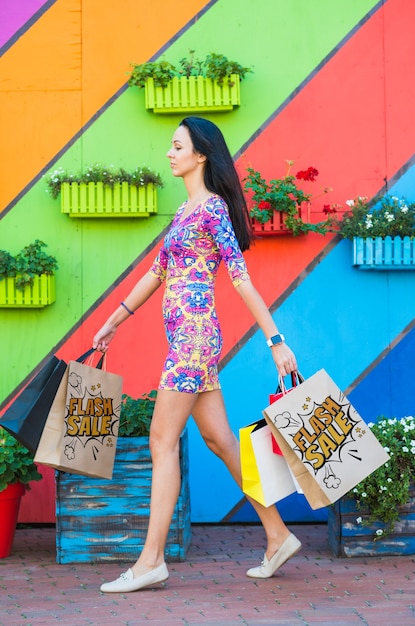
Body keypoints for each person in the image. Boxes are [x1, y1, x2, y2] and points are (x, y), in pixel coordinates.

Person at [93, 117, 301, 593]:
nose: (169, 152)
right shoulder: (185, 212)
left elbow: (241, 277)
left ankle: (150, 561)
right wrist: (112, 321)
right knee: (221, 441)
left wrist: (275, 340)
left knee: (160, 441)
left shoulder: (212, 211)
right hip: (189, 340)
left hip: (193, 339)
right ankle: (277, 534)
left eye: (177, 145)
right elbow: (156, 272)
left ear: (200, 154)